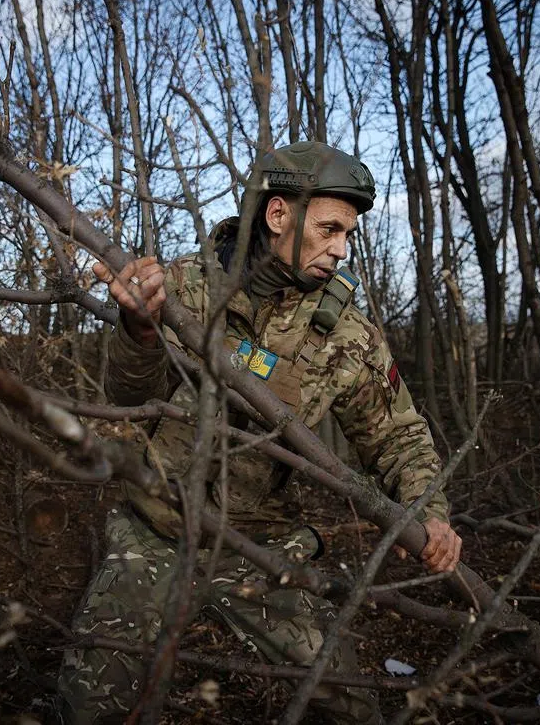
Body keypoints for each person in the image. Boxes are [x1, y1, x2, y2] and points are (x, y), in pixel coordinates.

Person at [57, 141, 461, 723]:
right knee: (86, 709)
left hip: (262, 544)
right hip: (156, 530)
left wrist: (430, 510)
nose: (341, 249)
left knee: (349, 705)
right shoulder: (182, 290)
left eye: (348, 234)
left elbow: (399, 437)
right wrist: (140, 328)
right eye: (329, 230)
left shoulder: (347, 333)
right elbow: (127, 398)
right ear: (278, 216)